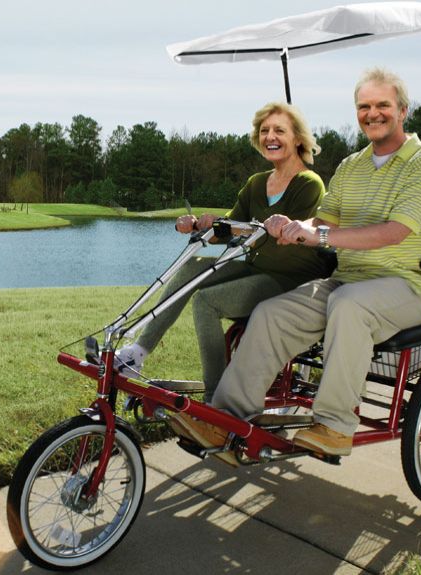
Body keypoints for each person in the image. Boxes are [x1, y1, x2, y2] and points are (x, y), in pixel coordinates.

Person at [173, 68, 421, 459]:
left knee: (348, 305)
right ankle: (227, 419)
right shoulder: (352, 166)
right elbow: (324, 223)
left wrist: (318, 237)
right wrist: (296, 226)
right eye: (364, 106)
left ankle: (334, 426)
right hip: (348, 280)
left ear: (403, 110)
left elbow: (392, 233)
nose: (372, 113)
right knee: (270, 314)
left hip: (408, 284)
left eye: (383, 105)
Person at [116, 102, 332, 402]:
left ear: (297, 138)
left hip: (289, 281)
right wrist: (200, 225)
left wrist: (249, 228)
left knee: (206, 302)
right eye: (265, 130)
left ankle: (215, 397)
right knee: (191, 267)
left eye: (279, 130)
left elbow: (289, 236)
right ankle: (137, 352)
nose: (270, 136)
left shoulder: (309, 184)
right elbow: (229, 227)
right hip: (257, 269)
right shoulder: (257, 183)